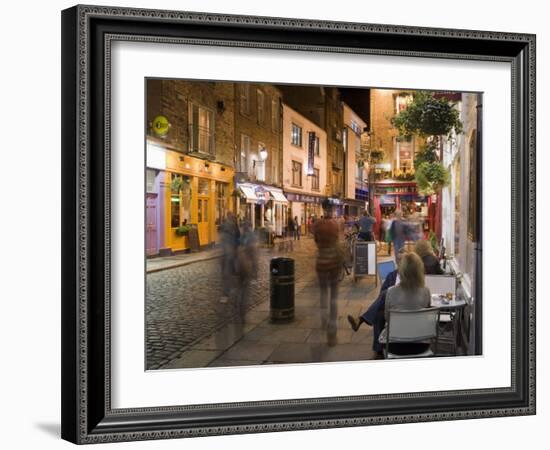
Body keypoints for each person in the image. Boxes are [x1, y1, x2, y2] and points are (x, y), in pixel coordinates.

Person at [347, 247, 407, 355]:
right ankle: (378, 350)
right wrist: (392, 292)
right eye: (398, 260)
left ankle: (361, 319)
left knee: (386, 294)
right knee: (379, 314)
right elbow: (381, 295)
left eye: (403, 260)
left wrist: (395, 291)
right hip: (392, 308)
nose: (400, 263)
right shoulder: (391, 276)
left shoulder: (412, 276)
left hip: (405, 308)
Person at [384, 252, 432, 356]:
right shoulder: (426, 291)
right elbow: (427, 317)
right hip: (421, 344)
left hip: (395, 345)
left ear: (402, 270)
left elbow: (387, 318)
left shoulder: (391, 291)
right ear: (420, 270)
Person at [314, 202, 343, 346]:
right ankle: (332, 329)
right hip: (334, 263)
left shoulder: (317, 225)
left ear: (323, 209)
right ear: (332, 210)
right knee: (334, 297)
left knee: (323, 292)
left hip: (321, 262)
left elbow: (317, 241)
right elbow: (338, 242)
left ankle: (323, 318)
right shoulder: (336, 224)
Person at [218, 212, 240, 303]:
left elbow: (220, 235)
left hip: (227, 252)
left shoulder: (225, 225)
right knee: (229, 272)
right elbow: (238, 237)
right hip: (230, 252)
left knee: (227, 273)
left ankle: (227, 293)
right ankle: (228, 291)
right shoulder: (233, 226)